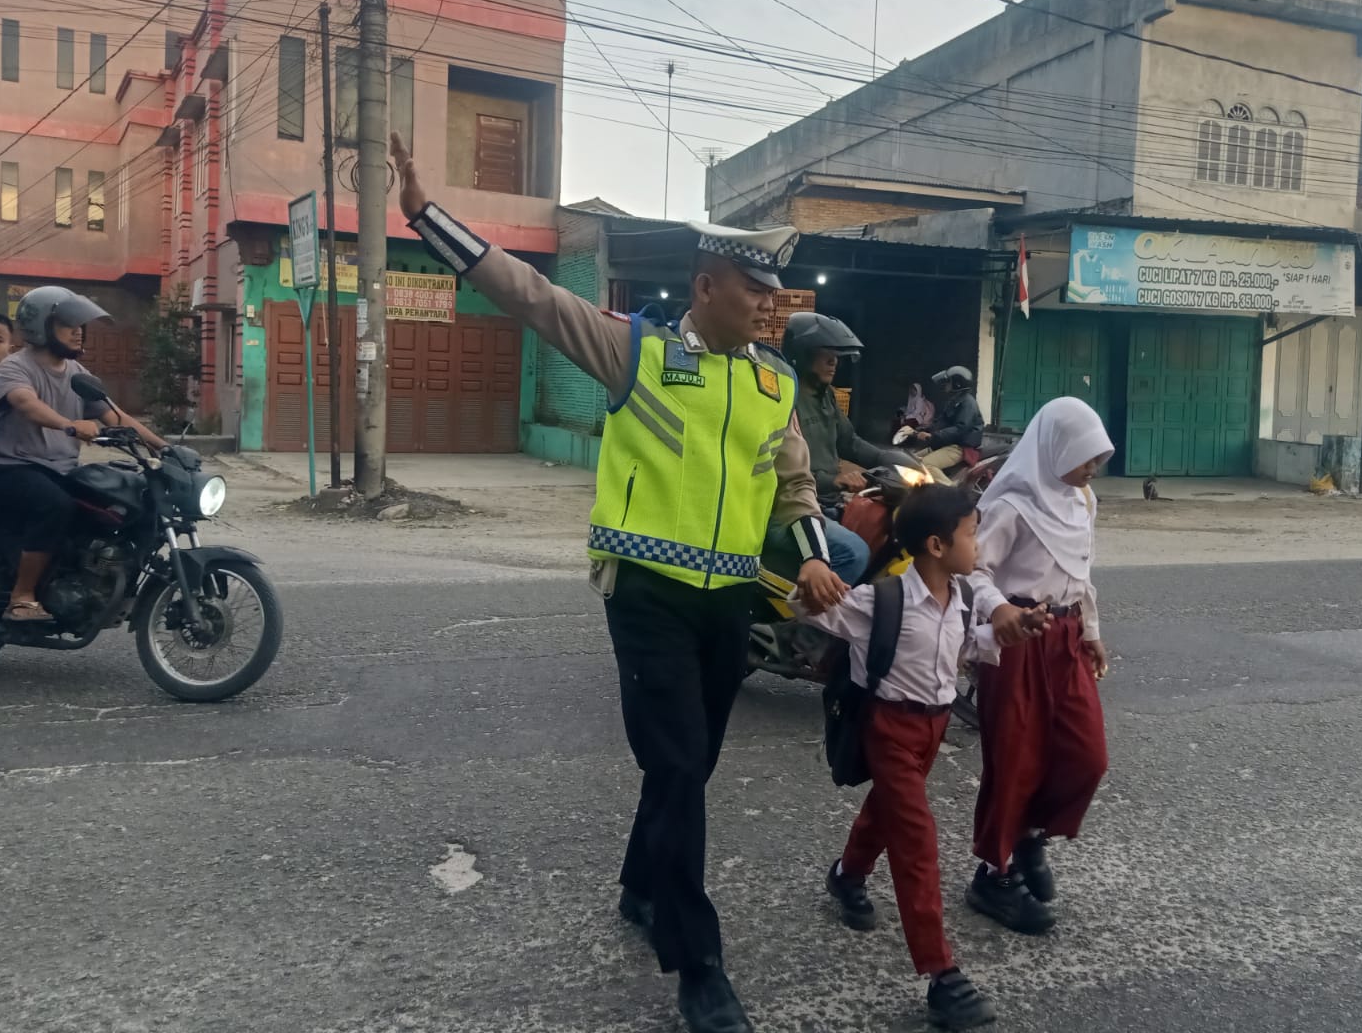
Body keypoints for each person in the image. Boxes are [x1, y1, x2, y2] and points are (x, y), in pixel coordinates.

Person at [390, 133, 847, 1033]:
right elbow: (527, 294)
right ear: (709, 284)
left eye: (772, 293)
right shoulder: (632, 353)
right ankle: (698, 964)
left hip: (730, 605)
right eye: (754, 290)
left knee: (694, 764)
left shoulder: (771, 385)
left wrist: (817, 553)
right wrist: (423, 216)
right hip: (647, 600)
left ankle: (642, 886)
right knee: (677, 765)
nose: (768, 306)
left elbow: (792, 483)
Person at [794, 485, 1043, 1030]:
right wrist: (809, 582)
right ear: (936, 544)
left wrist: (1013, 631)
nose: (978, 545)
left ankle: (847, 873)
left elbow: (963, 647)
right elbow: (814, 614)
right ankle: (941, 974)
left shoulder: (959, 597)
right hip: (889, 729)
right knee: (916, 839)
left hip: (933, 730)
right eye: (971, 534)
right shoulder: (879, 601)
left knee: (888, 811)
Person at [963, 397, 1113, 935]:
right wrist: (998, 608)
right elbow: (972, 570)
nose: (1091, 467)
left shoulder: (1082, 501)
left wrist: (1091, 633)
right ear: (1054, 448)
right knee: (1016, 758)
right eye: (1084, 455)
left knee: (1086, 755)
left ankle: (1028, 837)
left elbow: (1082, 573)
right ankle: (992, 873)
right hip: (1019, 640)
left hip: (1066, 638)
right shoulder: (1015, 504)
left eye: (1098, 456)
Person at [0, 287, 167, 624]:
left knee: (129, 500)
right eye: (67, 324)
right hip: (10, 467)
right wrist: (69, 425)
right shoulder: (15, 368)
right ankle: (22, 597)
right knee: (54, 504)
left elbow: (116, 416)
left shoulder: (78, 375)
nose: (78, 331)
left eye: (81, 325)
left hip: (58, 470)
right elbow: (26, 404)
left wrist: (164, 447)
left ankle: (103, 584)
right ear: (40, 327)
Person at [765, 311, 887, 586]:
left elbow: (850, 443)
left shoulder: (826, 397)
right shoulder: (783, 396)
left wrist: (890, 459)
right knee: (854, 552)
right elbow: (781, 470)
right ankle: (808, 624)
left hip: (826, 502)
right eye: (825, 352)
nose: (834, 361)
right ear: (803, 352)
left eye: (836, 353)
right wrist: (833, 479)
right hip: (787, 511)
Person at [908, 366, 984, 478]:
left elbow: (960, 428)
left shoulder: (968, 403)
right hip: (948, 443)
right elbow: (941, 422)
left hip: (959, 447)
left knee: (926, 464)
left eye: (948, 382)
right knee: (910, 460)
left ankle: (952, 493)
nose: (946, 385)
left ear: (957, 384)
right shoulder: (954, 401)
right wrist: (922, 430)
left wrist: (933, 436)